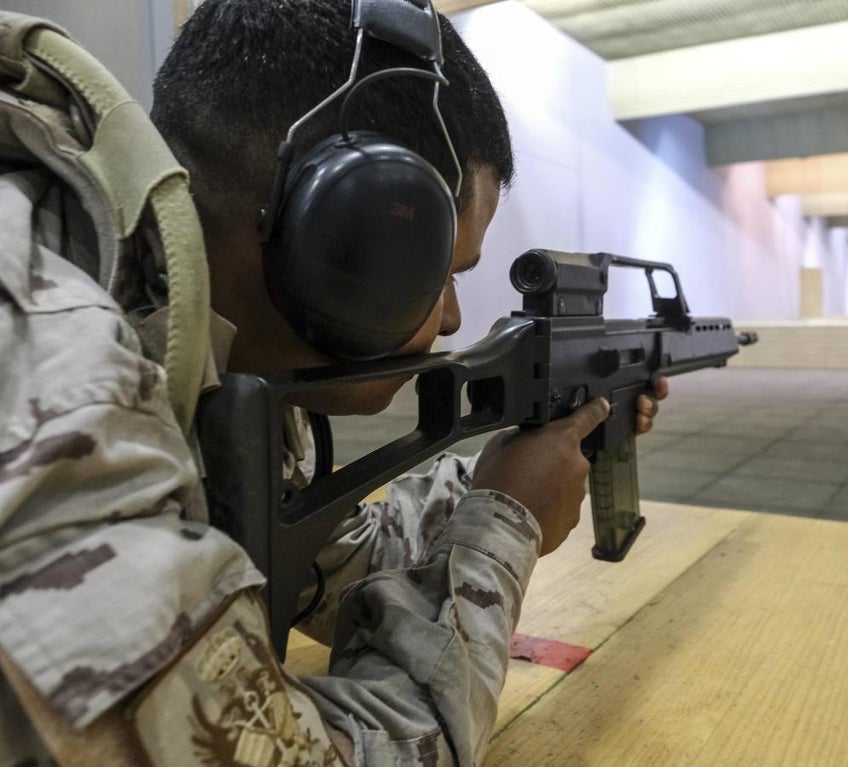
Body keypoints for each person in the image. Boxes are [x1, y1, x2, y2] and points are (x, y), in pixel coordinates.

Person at [0, 1, 667, 765]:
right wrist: (501, 529)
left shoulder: (174, 331)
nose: (450, 319)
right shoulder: (56, 387)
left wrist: (526, 462)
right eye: (441, 274)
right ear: (332, 230)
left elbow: (323, 560)